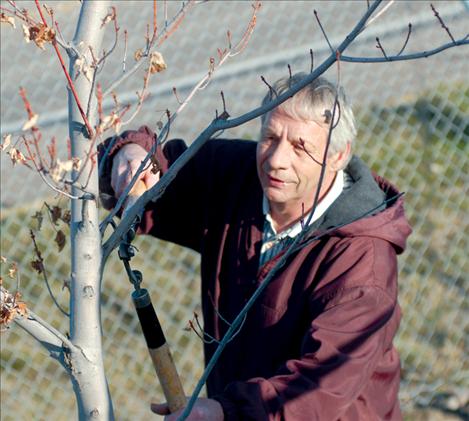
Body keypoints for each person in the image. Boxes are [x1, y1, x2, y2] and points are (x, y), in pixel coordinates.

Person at [99, 73, 412, 420]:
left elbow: (319, 388)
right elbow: (159, 172)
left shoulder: (362, 264)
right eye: (271, 137)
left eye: (301, 146)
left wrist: (226, 412)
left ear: (339, 156)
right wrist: (129, 156)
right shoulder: (237, 177)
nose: (277, 159)